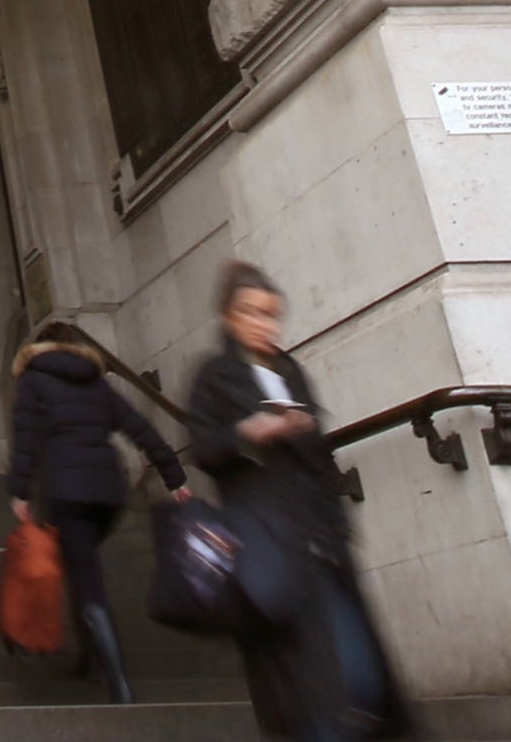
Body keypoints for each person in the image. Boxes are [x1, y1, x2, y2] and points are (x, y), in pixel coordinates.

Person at [188, 262, 406, 742]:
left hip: (319, 541)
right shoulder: (215, 375)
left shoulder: (290, 371)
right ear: (228, 316)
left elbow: (319, 453)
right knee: (308, 688)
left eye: (270, 314)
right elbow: (203, 448)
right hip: (265, 548)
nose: (263, 324)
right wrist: (249, 432)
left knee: (359, 677)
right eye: (250, 313)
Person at [6, 318, 188, 700]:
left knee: (85, 578)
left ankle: (118, 680)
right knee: (78, 563)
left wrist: (19, 491)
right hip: (107, 494)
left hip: (66, 494)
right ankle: (88, 658)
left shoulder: (33, 381)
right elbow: (139, 428)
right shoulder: (95, 382)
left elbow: (25, 440)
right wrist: (173, 475)